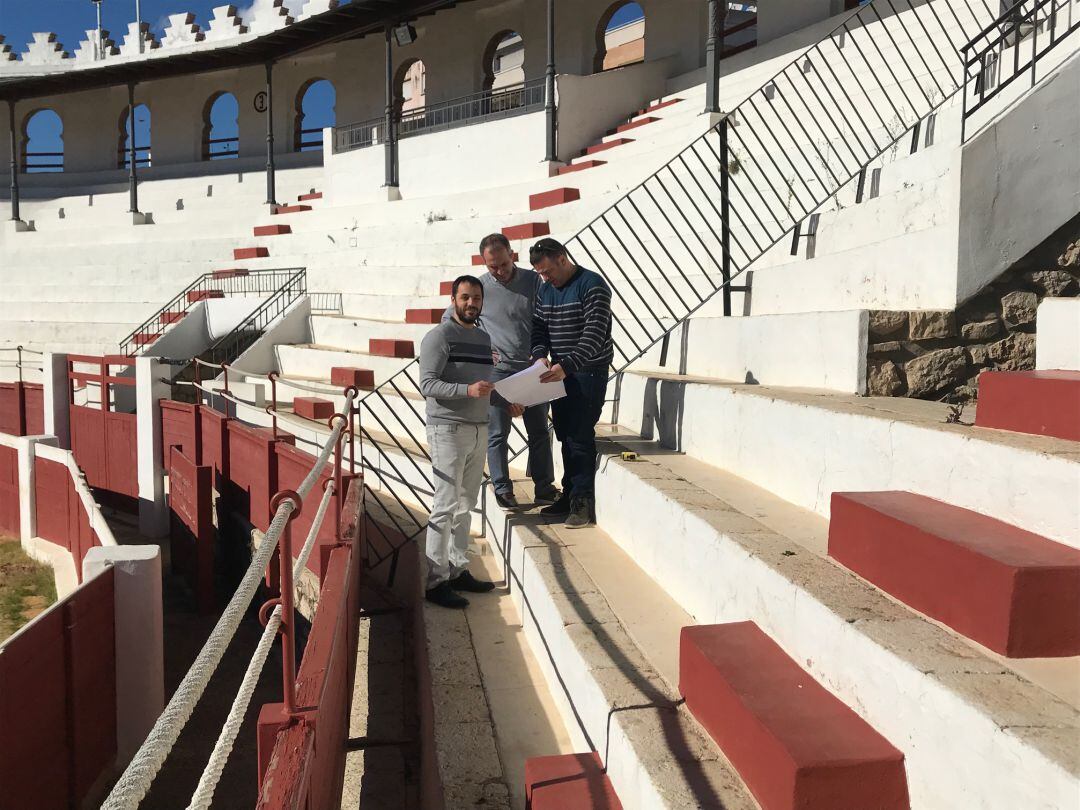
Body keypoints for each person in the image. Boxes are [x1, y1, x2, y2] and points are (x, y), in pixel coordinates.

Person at [419, 274, 524, 609]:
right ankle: (435, 581)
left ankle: (458, 568)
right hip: (447, 430)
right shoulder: (438, 336)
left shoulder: (482, 337)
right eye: (464, 297)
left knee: (466, 505)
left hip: (478, 427)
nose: (471, 303)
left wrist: (505, 402)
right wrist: (467, 391)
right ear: (453, 300)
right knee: (445, 505)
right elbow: (427, 385)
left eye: (476, 298)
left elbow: (485, 388)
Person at [443, 233, 559, 511]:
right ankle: (503, 488)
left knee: (540, 431)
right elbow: (452, 318)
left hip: (534, 367)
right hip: (496, 373)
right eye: (492, 266)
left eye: (503, 264)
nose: (499, 270)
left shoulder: (533, 282)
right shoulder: (480, 289)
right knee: (497, 433)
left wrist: (541, 355)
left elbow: (546, 318)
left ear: (512, 254)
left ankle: (544, 487)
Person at [529, 238, 613, 529]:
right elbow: (538, 328)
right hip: (559, 372)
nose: (544, 278)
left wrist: (568, 365)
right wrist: (540, 356)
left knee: (579, 434)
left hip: (587, 372)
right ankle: (569, 493)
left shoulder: (593, 285)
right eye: (540, 273)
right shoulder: (545, 289)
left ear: (562, 259)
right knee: (564, 434)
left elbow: (594, 333)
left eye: (548, 271)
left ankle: (582, 500)